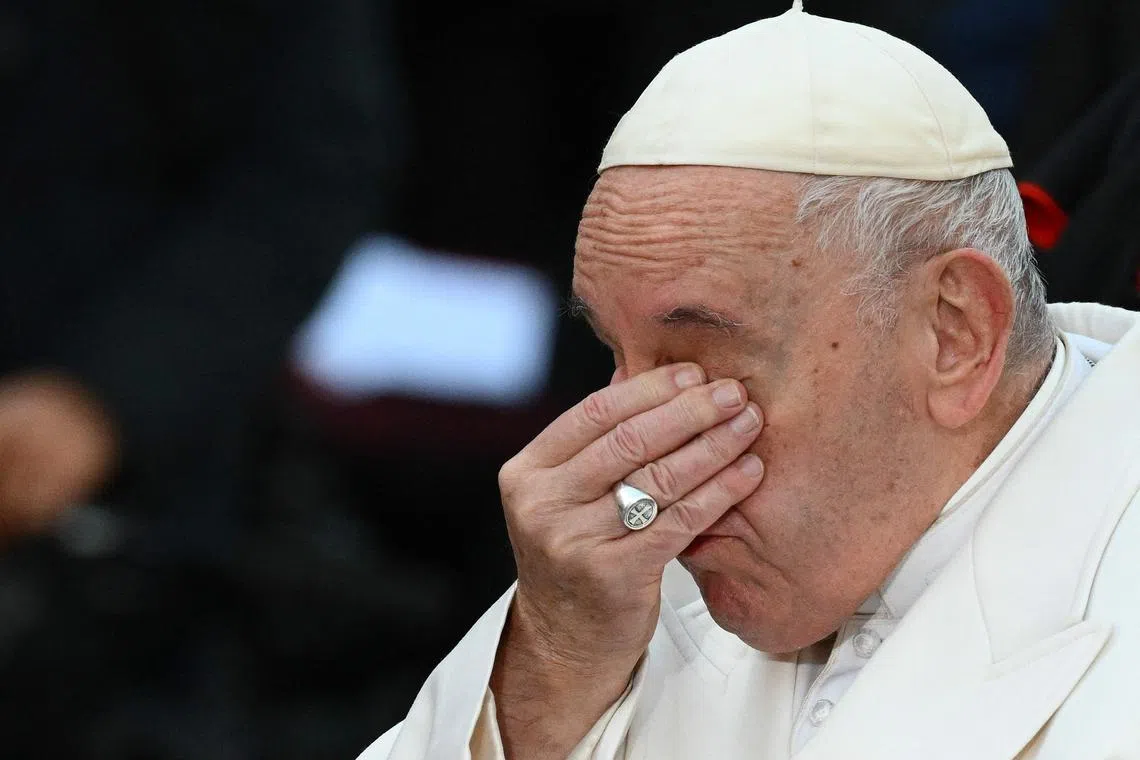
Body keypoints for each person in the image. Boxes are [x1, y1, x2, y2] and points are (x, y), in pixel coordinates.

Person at [360, 4, 1140, 758]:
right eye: (614, 353)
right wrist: (552, 668)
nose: (635, 455)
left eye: (699, 363)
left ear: (954, 332)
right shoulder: (617, 578)